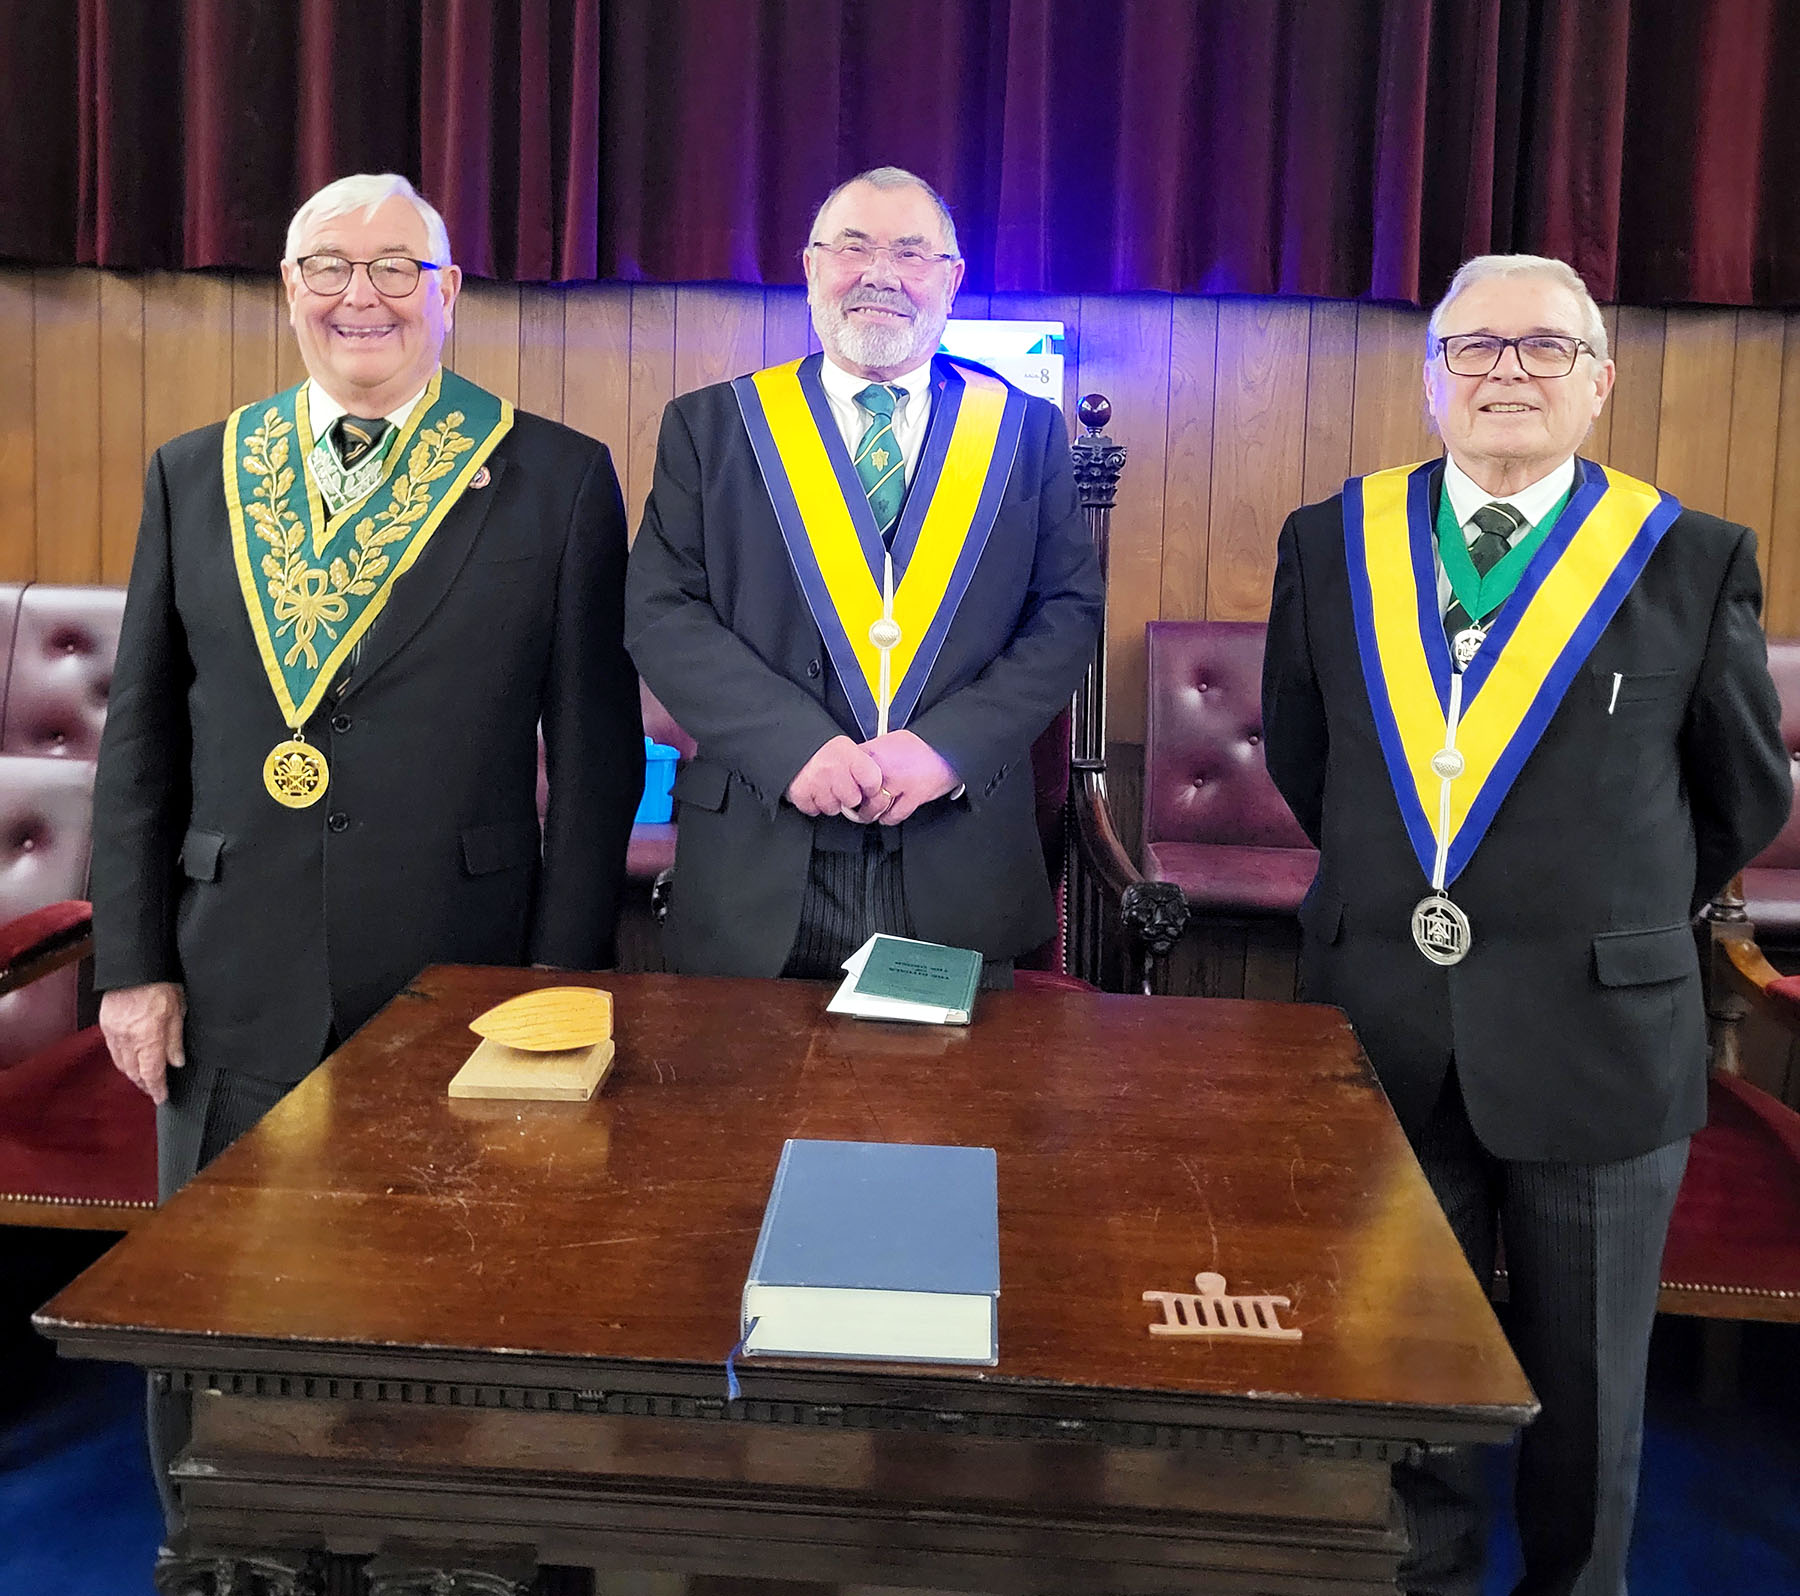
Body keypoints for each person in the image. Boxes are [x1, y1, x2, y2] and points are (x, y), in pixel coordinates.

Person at [1261, 253, 1790, 1595]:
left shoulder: (1688, 558)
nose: (1508, 370)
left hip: (1600, 1038)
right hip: (1381, 1024)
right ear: (1432, 379)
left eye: (1546, 348)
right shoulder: (1332, 544)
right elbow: (1308, 758)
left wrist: (1596, 913)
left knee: (1590, 1385)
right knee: (1403, 1363)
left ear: (1600, 383)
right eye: (1476, 346)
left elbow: (1739, 797)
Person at [93, 171, 643, 1196]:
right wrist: (131, 967)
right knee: (223, 1314)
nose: (362, 296)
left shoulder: (558, 479)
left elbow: (594, 757)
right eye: (330, 267)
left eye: (398, 267)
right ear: (286, 287)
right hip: (230, 980)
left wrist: (561, 976)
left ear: (450, 292)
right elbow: (140, 740)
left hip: (463, 969)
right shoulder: (195, 474)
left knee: (445, 1314)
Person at [625, 167, 1102, 980]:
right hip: (760, 861)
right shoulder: (712, 426)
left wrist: (948, 749)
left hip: (957, 863)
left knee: (953, 1108)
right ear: (810, 268)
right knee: (742, 1106)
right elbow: (662, 613)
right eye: (853, 247)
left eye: (911, 253)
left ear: (951, 282)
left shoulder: (1026, 432)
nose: (880, 273)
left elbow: (1066, 616)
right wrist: (794, 747)